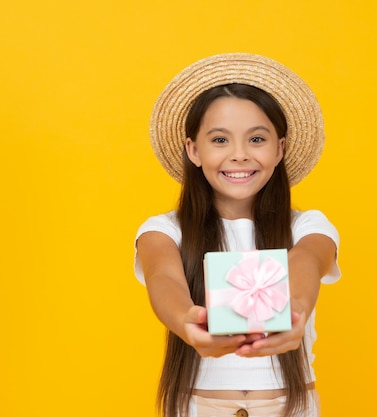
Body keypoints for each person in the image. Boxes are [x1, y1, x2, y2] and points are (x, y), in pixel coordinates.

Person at [134, 53, 340, 417]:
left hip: (289, 407)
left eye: (257, 139)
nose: (240, 155)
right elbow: (162, 276)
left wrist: (296, 311)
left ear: (281, 149)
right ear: (194, 151)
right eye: (219, 140)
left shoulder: (308, 226)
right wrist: (187, 321)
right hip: (197, 406)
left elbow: (306, 261)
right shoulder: (164, 230)